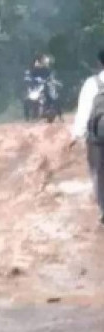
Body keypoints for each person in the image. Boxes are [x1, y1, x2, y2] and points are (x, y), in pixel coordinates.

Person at [69, 48, 104, 225]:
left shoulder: (92, 83)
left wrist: (76, 134)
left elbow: (84, 112)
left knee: (98, 173)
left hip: (97, 138)